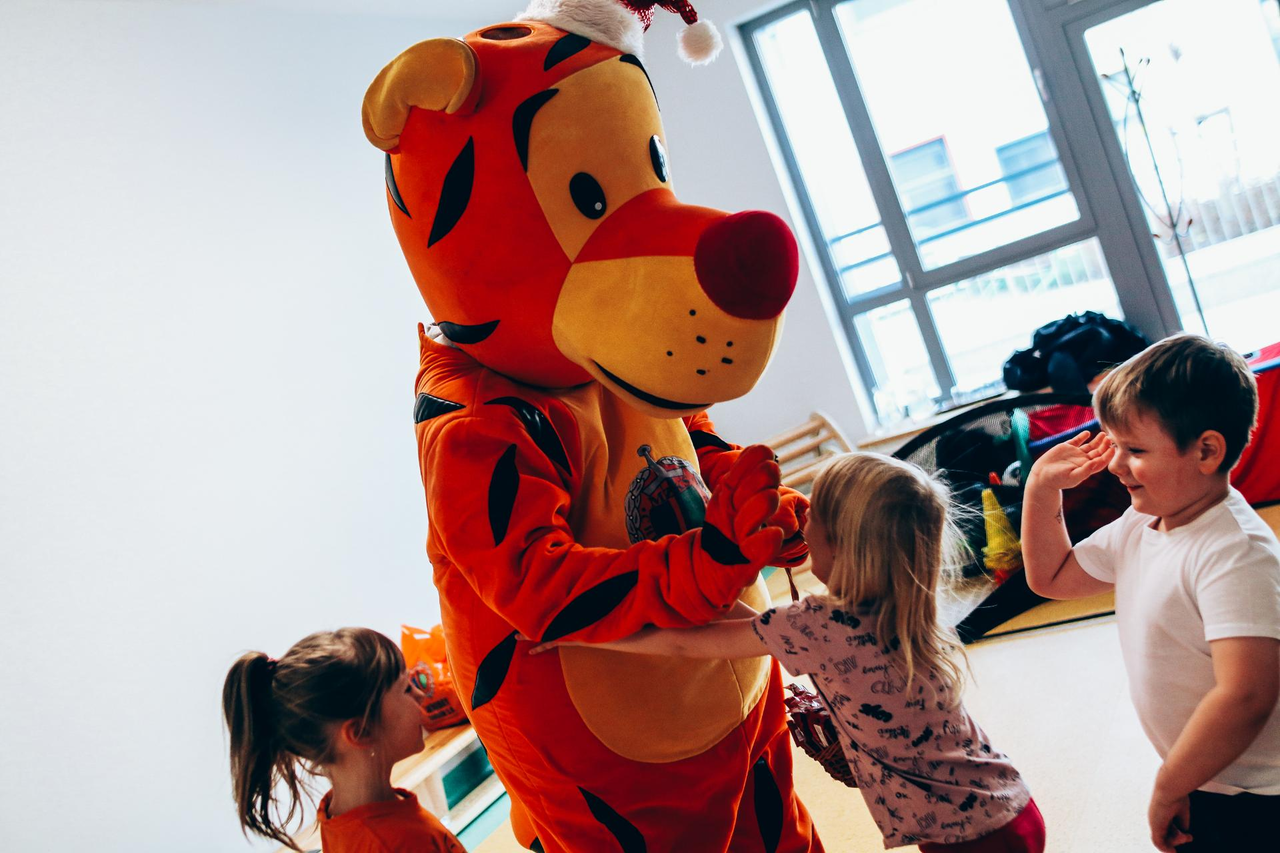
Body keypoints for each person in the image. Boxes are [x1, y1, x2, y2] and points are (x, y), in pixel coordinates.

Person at [530, 452, 1044, 851]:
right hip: (1009, 806)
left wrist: (580, 629)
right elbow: (754, 627)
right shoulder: (904, 607)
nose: (800, 524)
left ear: (840, 544)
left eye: (811, 517)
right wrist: (702, 582)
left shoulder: (822, 625)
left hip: (966, 839)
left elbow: (687, 643)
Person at [1022, 334, 1280, 852]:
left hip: (1260, 796)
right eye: (1114, 445)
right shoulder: (1142, 523)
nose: (1116, 465)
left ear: (1206, 450)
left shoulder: (1236, 552)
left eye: (1135, 450)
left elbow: (1246, 695)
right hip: (1205, 775)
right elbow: (1052, 577)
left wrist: (1169, 785)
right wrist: (1040, 489)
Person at [222, 627, 465, 852]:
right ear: (361, 732)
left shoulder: (341, 816)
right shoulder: (399, 842)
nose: (421, 695)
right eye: (406, 689)